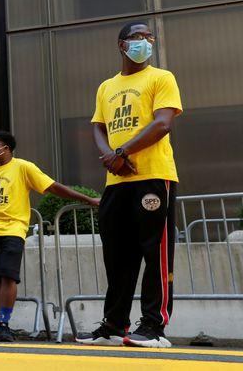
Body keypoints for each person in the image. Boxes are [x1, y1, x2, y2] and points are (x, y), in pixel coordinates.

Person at [76, 22, 182, 348]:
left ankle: (154, 326)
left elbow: (162, 123)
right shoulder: (106, 86)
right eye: (138, 37)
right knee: (117, 256)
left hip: (152, 175)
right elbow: (97, 125)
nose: (146, 42)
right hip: (116, 182)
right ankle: (114, 324)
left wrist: (121, 152)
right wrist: (110, 156)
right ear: (122, 45)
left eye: (150, 37)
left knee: (156, 252)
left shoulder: (161, 78)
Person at [0, 131, 99, 342]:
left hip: (12, 230)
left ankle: (4, 324)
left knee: (8, 276)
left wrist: (87, 200)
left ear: (6, 148)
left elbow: (53, 187)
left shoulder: (23, 167)